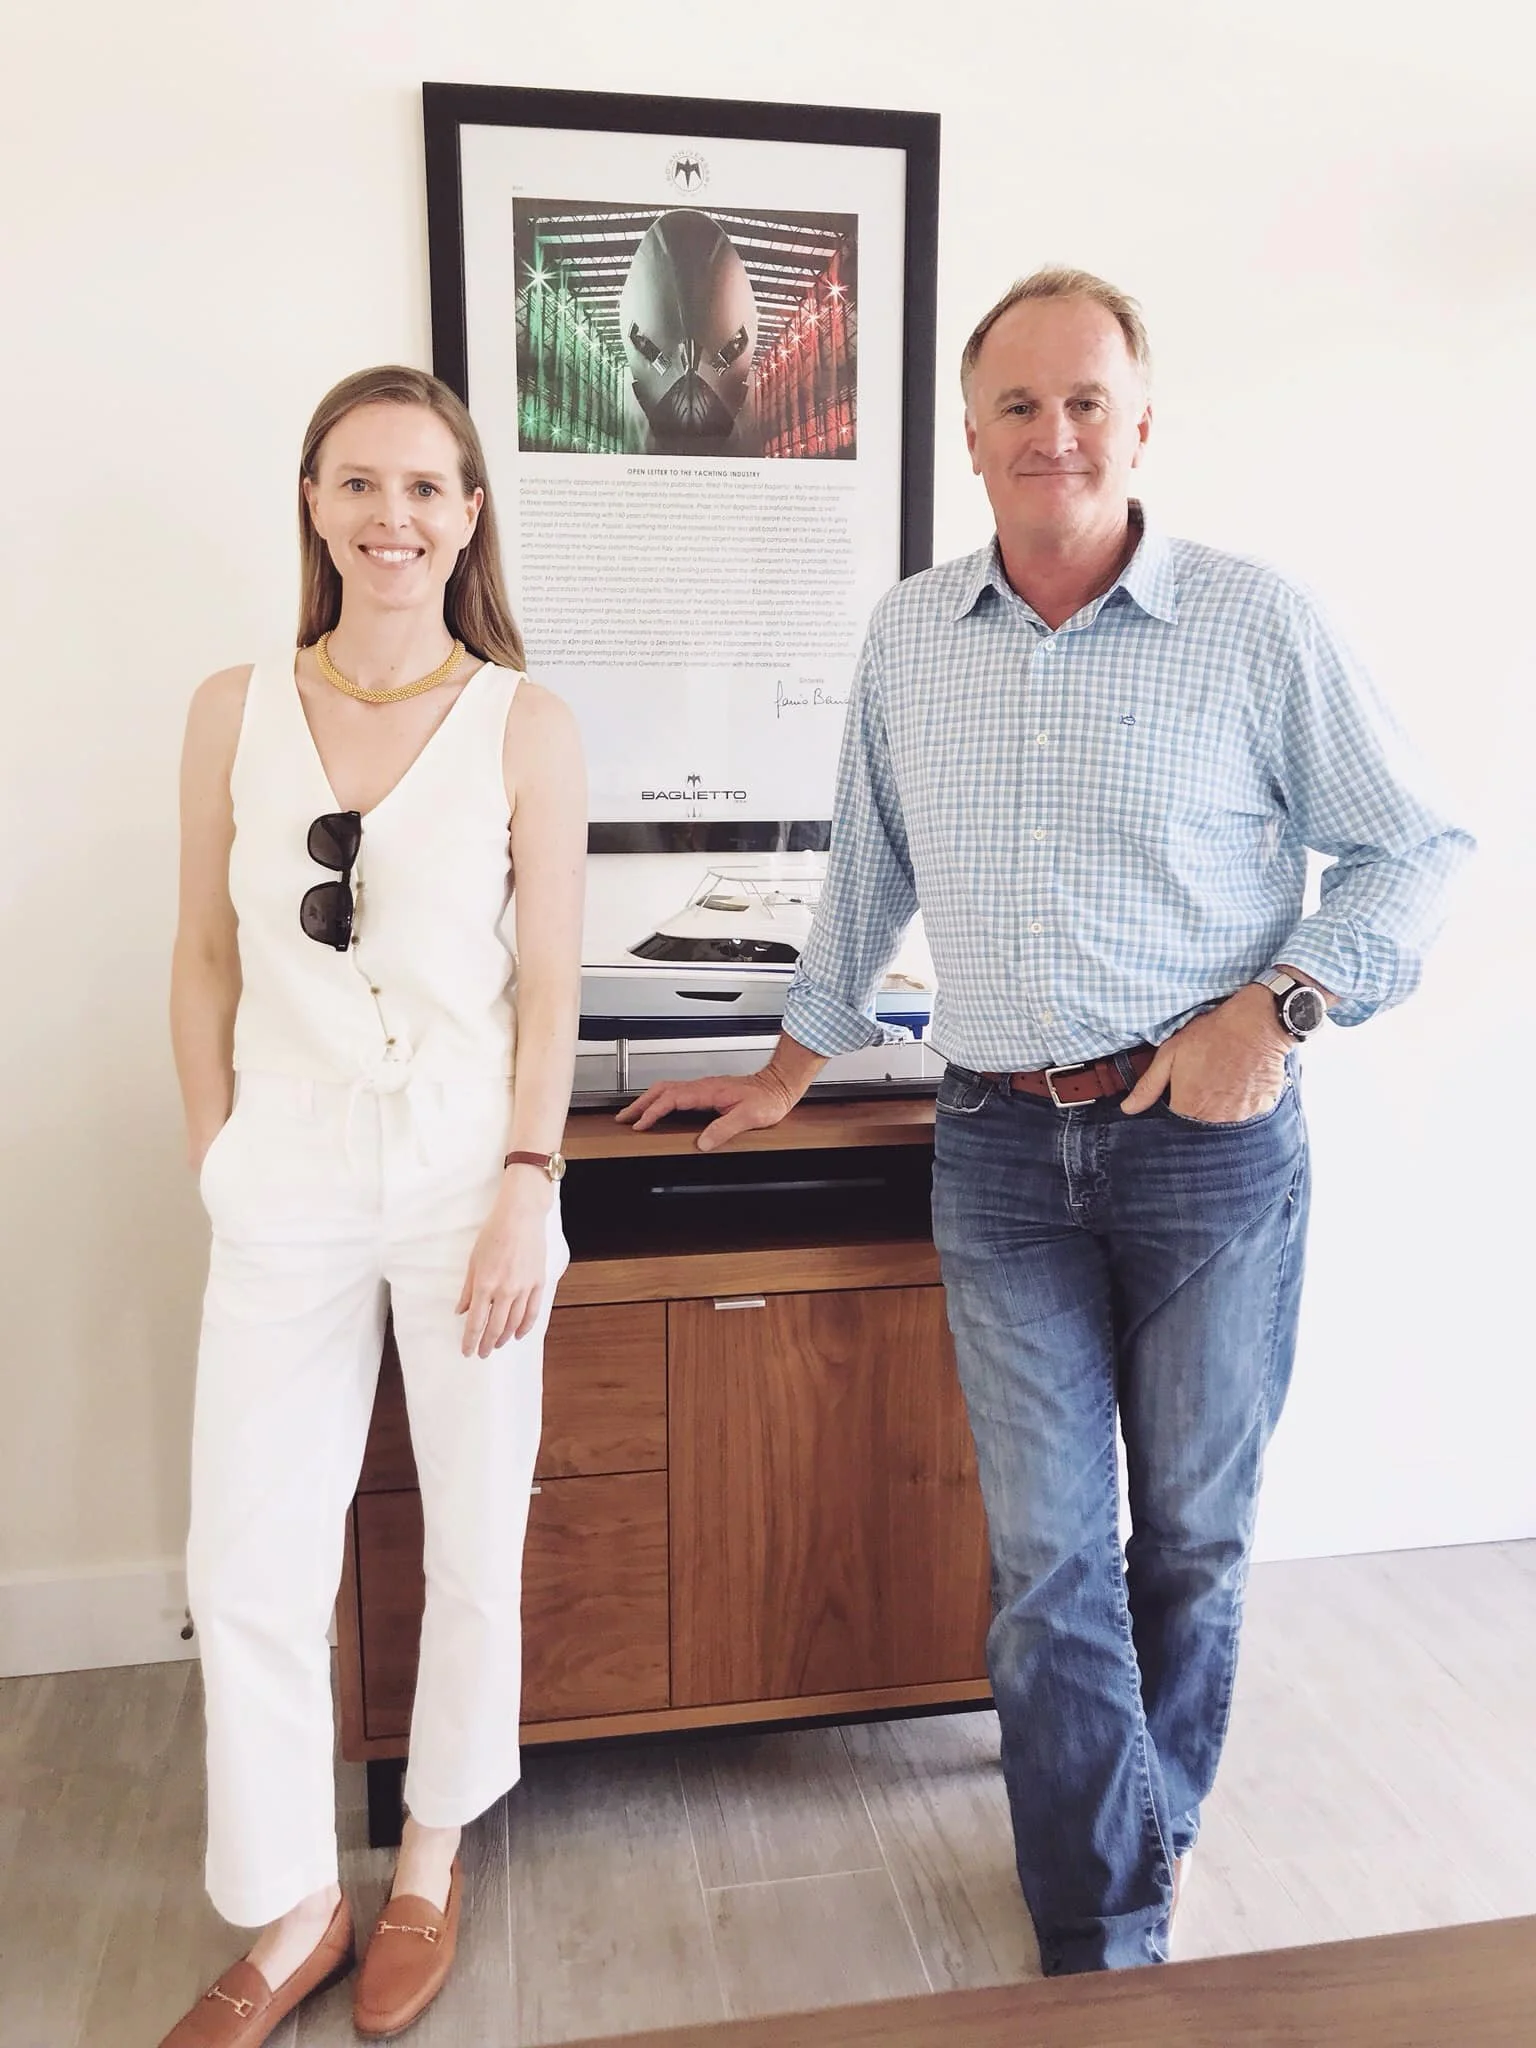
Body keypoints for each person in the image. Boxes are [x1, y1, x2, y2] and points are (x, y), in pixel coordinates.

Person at [618, 268, 1472, 1975]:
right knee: (1046, 1561)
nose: (1053, 431)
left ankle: (1138, 1844)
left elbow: (1419, 850)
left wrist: (1278, 1007)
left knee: (1199, 1540)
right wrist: (787, 1068)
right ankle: (1104, 1932)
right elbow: (865, 874)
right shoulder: (911, 638)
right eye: (1017, 403)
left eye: (1086, 401)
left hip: (1210, 1151)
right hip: (1000, 1152)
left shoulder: (1255, 621)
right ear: (970, 433)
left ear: (1142, 425)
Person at [162, 365, 585, 2044]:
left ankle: (427, 1854)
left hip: (473, 1167)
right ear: (315, 504)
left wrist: (527, 1185)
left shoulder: (525, 721)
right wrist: (218, 1150)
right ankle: (286, 1904)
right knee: (248, 1550)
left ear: (470, 513)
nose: (391, 516)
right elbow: (201, 955)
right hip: (287, 1167)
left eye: (426, 487)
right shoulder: (231, 704)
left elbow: (547, 984)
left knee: (476, 1530)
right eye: (359, 483)